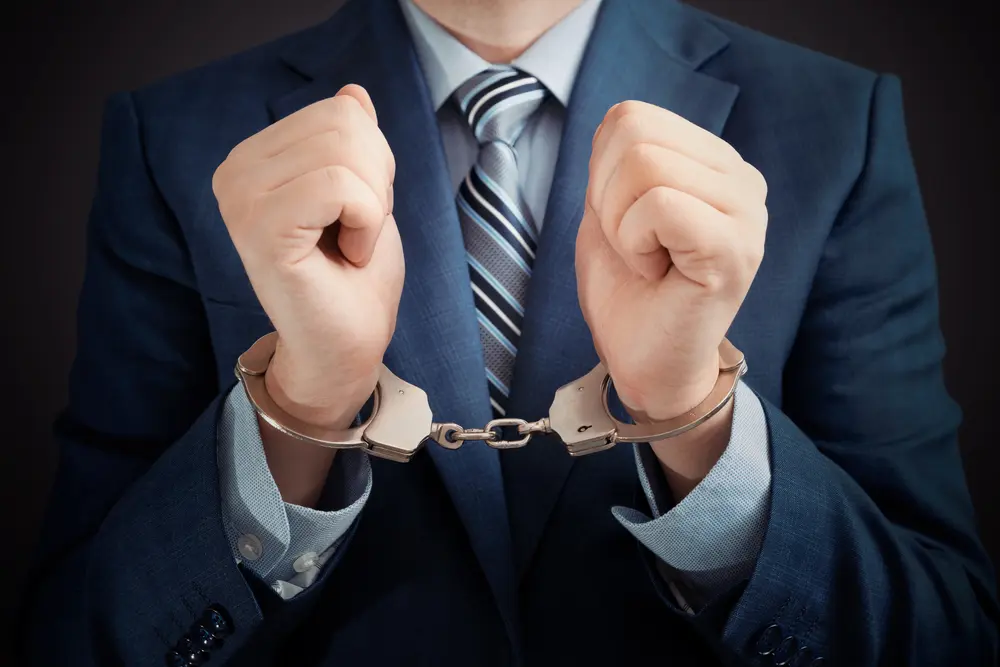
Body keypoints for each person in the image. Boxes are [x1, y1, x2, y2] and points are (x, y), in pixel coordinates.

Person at [18, 0, 998, 664]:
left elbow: (945, 630)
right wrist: (299, 405)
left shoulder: (838, 124)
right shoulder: (174, 133)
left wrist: (690, 412)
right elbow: (77, 635)